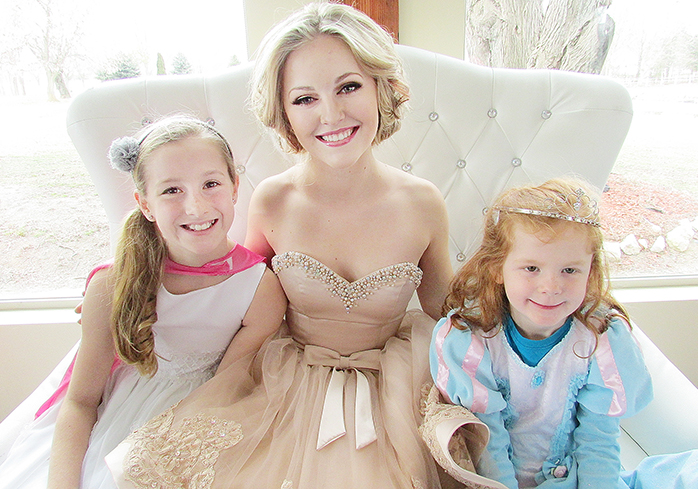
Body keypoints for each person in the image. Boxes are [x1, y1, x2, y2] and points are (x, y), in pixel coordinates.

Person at [105, 3, 454, 488]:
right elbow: (231, 281)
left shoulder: (422, 204)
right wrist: (133, 284)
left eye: (348, 86)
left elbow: (449, 313)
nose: (330, 114)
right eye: (305, 98)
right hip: (290, 381)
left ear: (381, 89)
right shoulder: (273, 200)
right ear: (284, 113)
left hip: (395, 383)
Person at [0, 114, 286, 489]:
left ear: (234, 187)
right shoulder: (112, 284)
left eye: (210, 184)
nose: (196, 207)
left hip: (203, 418)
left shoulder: (259, 289)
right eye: (171, 190)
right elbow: (81, 401)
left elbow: (223, 395)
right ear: (145, 203)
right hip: (118, 419)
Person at [428, 177, 698, 488]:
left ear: (590, 272)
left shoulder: (599, 340)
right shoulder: (472, 341)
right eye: (531, 268)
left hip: (569, 479)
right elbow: (487, 444)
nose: (551, 287)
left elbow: (598, 440)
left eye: (569, 270)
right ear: (497, 269)